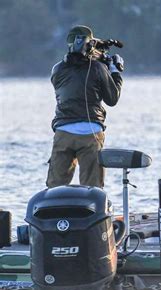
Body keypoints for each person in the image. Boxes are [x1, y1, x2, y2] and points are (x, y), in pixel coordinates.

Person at [46, 25, 124, 188]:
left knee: (55, 186)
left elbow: (76, 77)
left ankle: (56, 211)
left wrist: (96, 57)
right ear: (88, 45)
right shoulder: (97, 68)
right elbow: (112, 98)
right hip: (91, 133)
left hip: (63, 133)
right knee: (92, 187)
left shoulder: (57, 69)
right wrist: (115, 72)